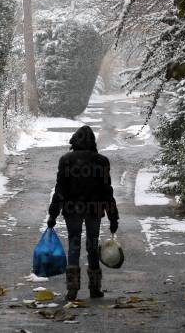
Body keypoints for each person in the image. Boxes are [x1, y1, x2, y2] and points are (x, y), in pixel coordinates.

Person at [47, 125, 119, 300]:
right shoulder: (101, 161)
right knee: (92, 246)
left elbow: (60, 189)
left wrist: (53, 214)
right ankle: (95, 288)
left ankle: (72, 290)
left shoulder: (66, 160)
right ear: (92, 142)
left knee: (74, 245)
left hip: (73, 210)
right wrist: (113, 216)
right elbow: (106, 190)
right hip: (94, 209)